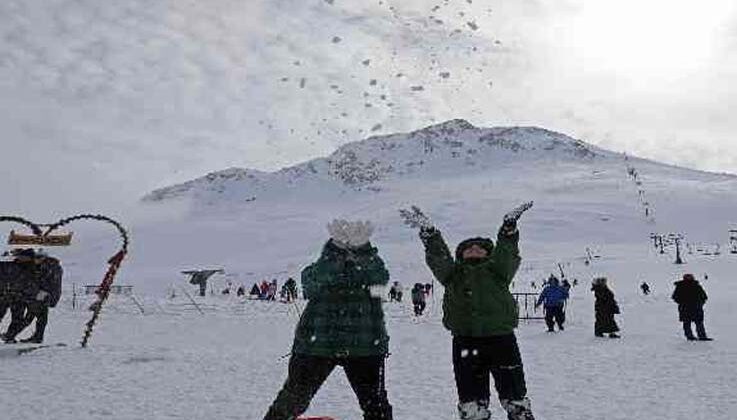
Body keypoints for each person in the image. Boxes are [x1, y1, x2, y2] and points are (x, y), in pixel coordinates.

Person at [401, 202, 536, 420]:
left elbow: (507, 254)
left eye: (480, 247)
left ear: (488, 254)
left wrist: (508, 231)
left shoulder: (498, 271)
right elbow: (439, 258)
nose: (473, 248)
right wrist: (431, 236)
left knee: (515, 395)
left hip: (501, 339)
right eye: (468, 248)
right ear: (460, 255)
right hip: (465, 341)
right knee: (471, 400)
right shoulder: (452, 275)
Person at [263, 219, 393, 420]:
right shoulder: (319, 269)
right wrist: (335, 249)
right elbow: (310, 285)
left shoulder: (371, 272)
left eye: (353, 248)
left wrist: (363, 249)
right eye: (344, 247)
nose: (349, 252)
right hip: (319, 344)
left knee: (375, 405)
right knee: (293, 399)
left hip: (363, 345)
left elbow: (381, 282)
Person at [4, 249, 63, 344]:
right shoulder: (46, 266)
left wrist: (42, 291)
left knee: (32, 316)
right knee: (39, 316)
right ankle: (35, 336)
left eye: (38, 258)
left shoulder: (50, 267)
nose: (35, 260)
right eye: (35, 258)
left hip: (45, 295)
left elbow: (50, 283)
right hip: (42, 295)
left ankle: (13, 335)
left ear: (43, 258)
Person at [671, 274, 712, 341]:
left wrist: (700, 303)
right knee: (688, 323)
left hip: (695, 307)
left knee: (698, 322)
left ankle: (701, 336)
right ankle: (691, 336)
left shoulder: (696, 286)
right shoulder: (681, 286)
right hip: (686, 308)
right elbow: (675, 297)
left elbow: (704, 296)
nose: (689, 278)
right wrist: (682, 303)